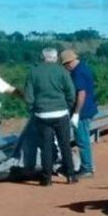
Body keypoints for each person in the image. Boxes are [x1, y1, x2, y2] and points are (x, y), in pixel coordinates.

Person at [24, 48, 77, 186]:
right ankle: (70, 175)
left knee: (45, 146)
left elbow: (29, 96)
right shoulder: (62, 71)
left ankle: (47, 178)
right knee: (65, 144)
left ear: (42, 57)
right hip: (60, 113)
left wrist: (32, 110)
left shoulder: (33, 72)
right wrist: (67, 107)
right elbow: (71, 92)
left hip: (42, 114)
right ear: (55, 57)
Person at [60, 49, 99, 178]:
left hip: (82, 111)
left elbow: (81, 93)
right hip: (88, 109)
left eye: (65, 65)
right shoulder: (84, 68)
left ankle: (87, 168)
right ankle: (87, 166)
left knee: (82, 140)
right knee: (83, 139)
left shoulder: (77, 73)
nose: (66, 68)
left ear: (69, 63)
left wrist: (76, 113)